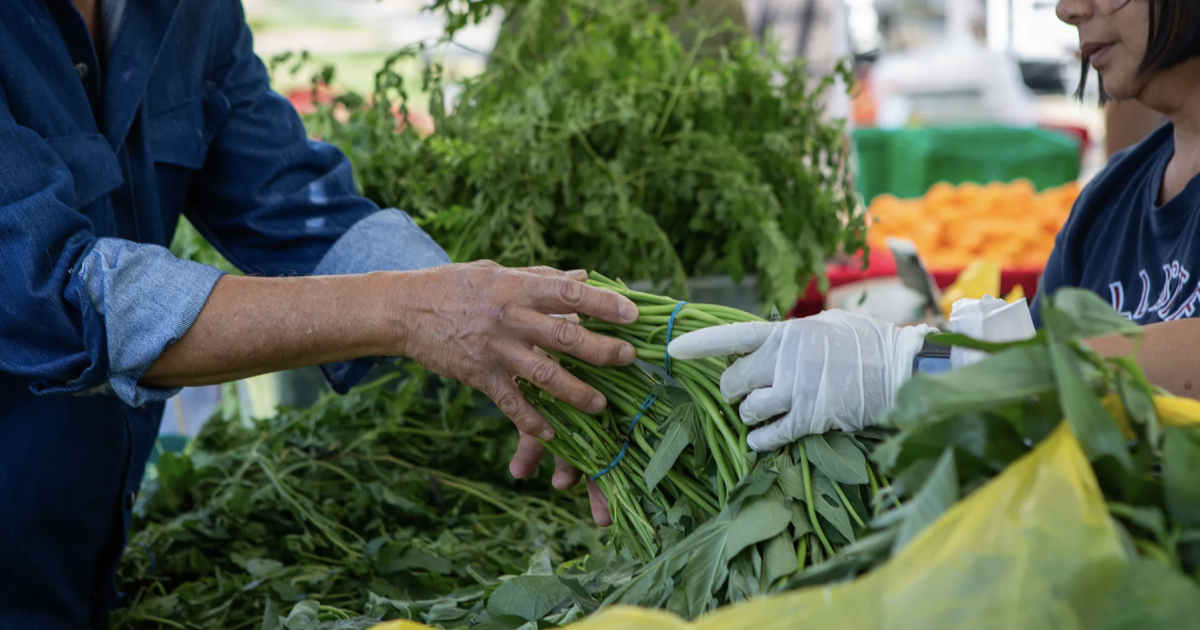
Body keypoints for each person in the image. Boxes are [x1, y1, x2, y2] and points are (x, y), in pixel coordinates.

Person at [0, 1, 635, 627]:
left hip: (82, 559)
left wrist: (507, 335)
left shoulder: (189, 12)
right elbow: (59, 293)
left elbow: (290, 203)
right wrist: (411, 311)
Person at [669, 0, 1200, 452]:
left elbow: (1020, 370)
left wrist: (921, 369)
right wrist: (904, 353)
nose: (1067, 9)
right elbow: (1027, 386)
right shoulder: (1107, 206)